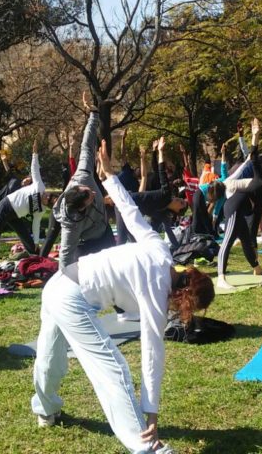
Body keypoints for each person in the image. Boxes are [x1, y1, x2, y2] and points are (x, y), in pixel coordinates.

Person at [32, 143, 214, 453]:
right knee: (112, 368)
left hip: (58, 284)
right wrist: (151, 414)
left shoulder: (161, 251)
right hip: (71, 296)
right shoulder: (158, 291)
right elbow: (152, 355)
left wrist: (110, 177)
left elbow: (130, 214)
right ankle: (146, 446)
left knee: (50, 356)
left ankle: (45, 409)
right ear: (185, 295)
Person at [39, 93, 114, 268]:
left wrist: (93, 116)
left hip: (105, 233)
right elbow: (65, 254)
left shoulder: (83, 177)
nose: (94, 193)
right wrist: (62, 284)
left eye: (88, 191)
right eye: (90, 196)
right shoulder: (70, 225)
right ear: (82, 206)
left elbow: (87, 147)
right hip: (87, 244)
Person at [215, 119, 262, 289]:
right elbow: (251, 152)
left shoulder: (259, 181)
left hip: (241, 207)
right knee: (228, 241)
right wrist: (254, 136)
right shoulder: (243, 173)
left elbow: (250, 153)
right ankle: (221, 278)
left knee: (245, 239)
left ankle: (257, 268)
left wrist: (244, 136)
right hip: (233, 207)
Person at [114, 137, 187, 246]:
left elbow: (169, 232)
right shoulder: (166, 194)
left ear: (177, 210)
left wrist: (178, 249)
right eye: (182, 199)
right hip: (125, 203)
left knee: (137, 242)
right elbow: (161, 172)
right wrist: (160, 151)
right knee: (122, 240)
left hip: (131, 210)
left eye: (181, 203)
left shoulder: (163, 213)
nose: (179, 199)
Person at [0, 141, 45, 263]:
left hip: (16, 214)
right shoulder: (37, 186)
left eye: (48, 199)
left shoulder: (41, 208)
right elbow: (34, 168)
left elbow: (36, 224)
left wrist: (36, 241)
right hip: (6, 205)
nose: (46, 197)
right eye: (47, 195)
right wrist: (35, 153)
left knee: (24, 233)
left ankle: (35, 253)